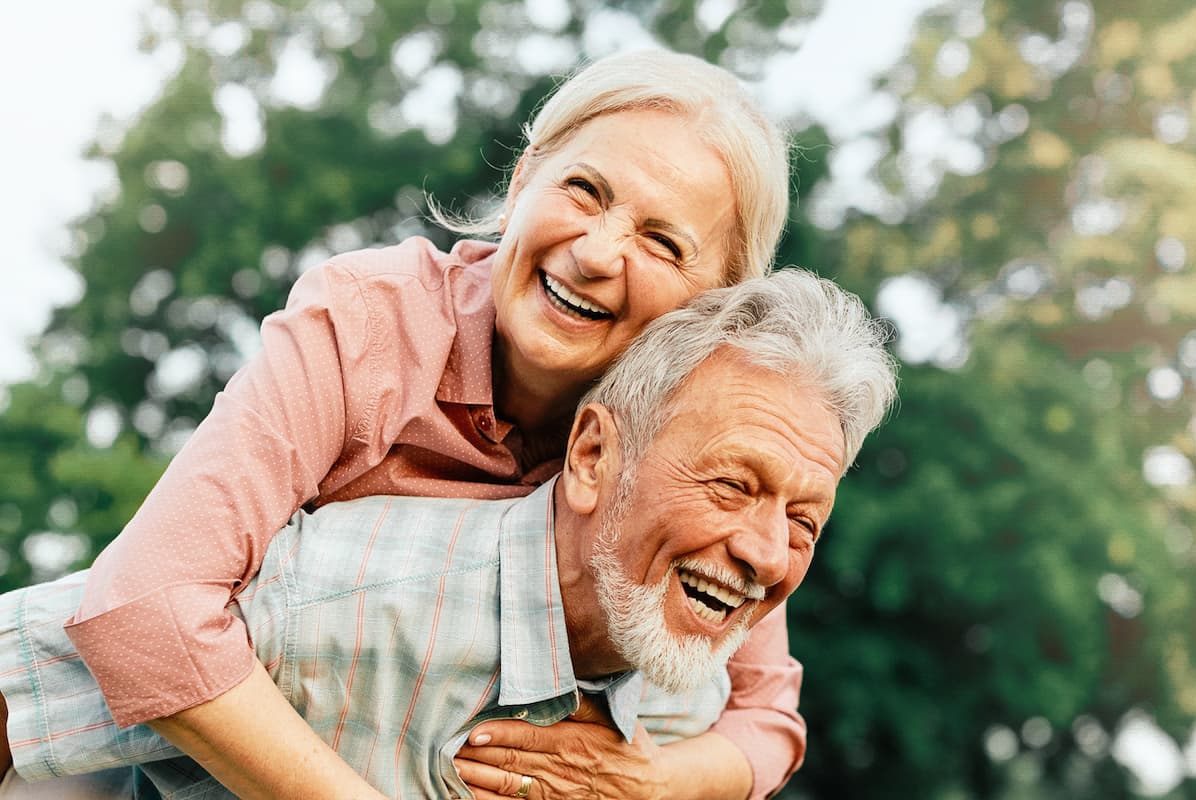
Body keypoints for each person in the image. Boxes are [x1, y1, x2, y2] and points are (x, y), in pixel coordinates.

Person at [0, 47, 806, 800]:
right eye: (583, 191)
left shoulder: (686, 433)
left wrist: (658, 781)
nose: (596, 252)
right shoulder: (366, 326)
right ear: (524, 180)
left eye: (662, 241)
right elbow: (142, 604)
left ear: (717, 304)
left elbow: (766, 712)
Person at [0, 270, 897, 799]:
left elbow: (773, 720)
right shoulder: (326, 599)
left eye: (804, 520)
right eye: (733, 485)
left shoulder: (691, 687)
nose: (768, 553)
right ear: (590, 458)